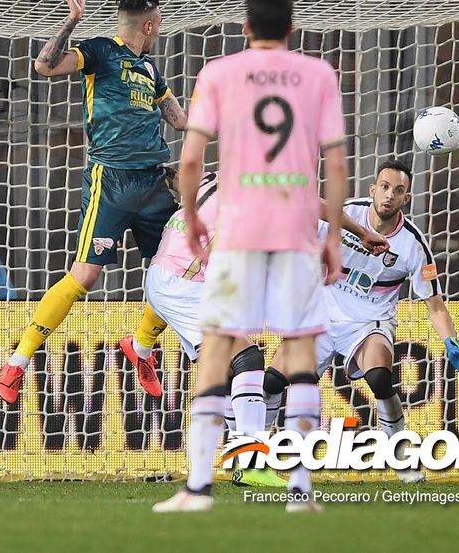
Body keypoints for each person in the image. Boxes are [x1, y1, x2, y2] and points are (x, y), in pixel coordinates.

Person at [152, 0, 346, 513]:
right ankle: (301, 491)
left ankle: (197, 488)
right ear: (291, 28)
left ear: (245, 27)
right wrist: (330, 236)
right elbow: (334, 162)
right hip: (295, 232)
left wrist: (191, 218)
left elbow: (191, 160)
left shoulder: (217, 73)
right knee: (301, 354)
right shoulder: (318, 75)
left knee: (218, 348)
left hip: (237, 233)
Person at [119, 168, 389, 489]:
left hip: (170, 277)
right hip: (185, 283)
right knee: (248, 360)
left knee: (235, 370)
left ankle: (142, 347)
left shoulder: (220, 174)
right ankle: (251, 464)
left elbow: (176, 177)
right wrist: (359, 232)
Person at [0, 0, 187, 404]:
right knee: (85, 275)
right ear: (151, 24)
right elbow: (44, 66)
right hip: (112, 180)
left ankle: (139, 348)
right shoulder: (99, 50)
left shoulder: (152, 70)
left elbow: (179, 120)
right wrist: (71, 20)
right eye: (160, 21)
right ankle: (17, 364)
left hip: (154, 182)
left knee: (172, 272)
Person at [264, 159, 459, 484]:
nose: (389, 195)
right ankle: (253, 460)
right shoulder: (349, 214)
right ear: (373, 189)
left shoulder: (413, 245)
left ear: (406, 199)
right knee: (272, 382)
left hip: (369, 322)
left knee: (378, 378)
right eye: (385, 187)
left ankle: (402, 455)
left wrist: (451, 343)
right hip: (320, 313)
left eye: (398, 190)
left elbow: (435, 305)